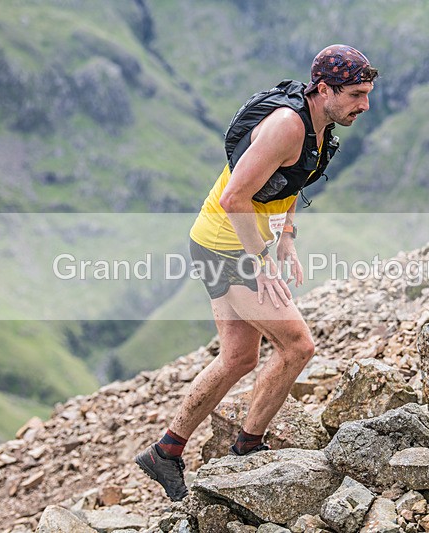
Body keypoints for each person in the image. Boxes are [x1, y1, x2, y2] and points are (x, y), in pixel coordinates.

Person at [134, 44, 378, 501]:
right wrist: (257, 261)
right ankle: (247, 448)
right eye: (356, 95)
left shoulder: (318, 124)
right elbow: (234, 198)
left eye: (366, 94)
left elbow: (288, 182)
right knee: (298, 346)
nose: (364, 105)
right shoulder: (287, 126)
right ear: (324, 89)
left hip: (219, 242)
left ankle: (165, 452)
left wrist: (286, 237)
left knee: (239, 358)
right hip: (227, 247)